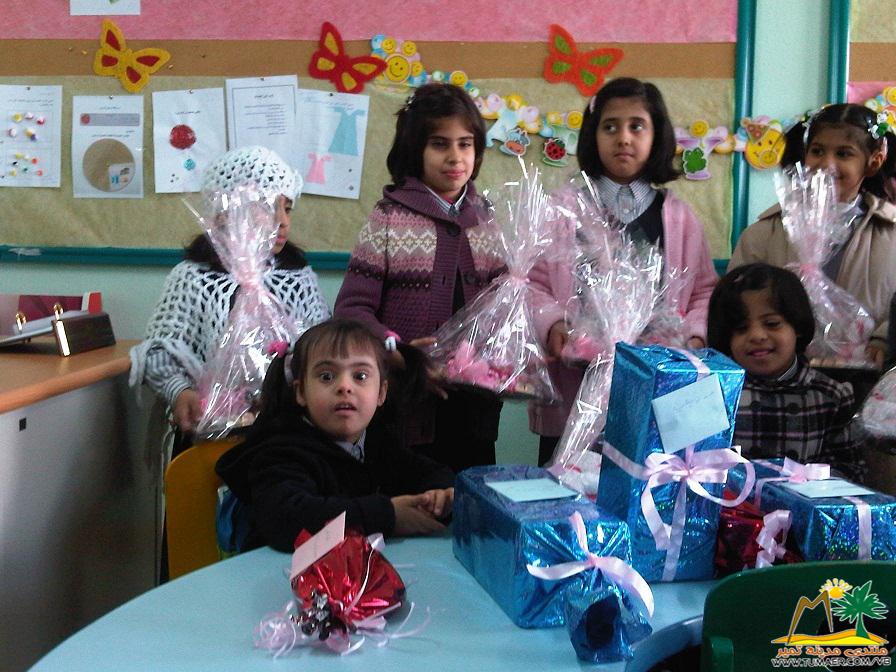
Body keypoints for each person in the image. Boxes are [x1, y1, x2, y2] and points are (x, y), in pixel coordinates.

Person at [528, 77, 718, 465]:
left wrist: (694, 336)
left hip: (656, 389)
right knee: (565, 486)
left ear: (657, 135)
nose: (624, 138)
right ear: (592, 135)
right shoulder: (562, 208)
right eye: (610, 127)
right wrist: (553, 325)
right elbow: (532, 283)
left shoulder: (679, 217)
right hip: (575, 386)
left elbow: (703, 289)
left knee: (648, 485)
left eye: (637, 126)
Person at [333, 82, 506, 472]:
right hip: (405, 407)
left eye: (465, 144)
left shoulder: (487, 220)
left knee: (469, 494)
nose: (455, 157)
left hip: (476, 408)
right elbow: (351, 310)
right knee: (412, 495)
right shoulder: (388, 218)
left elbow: (504, 308)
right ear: (416, 149)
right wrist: (397, 352)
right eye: (439, 144)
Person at [129, 145, 330, 447]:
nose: (283, 221)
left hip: (289, 434)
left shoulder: (297, 279)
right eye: (268, 206)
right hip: (211, 433)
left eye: (287, 209)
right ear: (228, 211)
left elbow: (325, 348)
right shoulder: (194, 278)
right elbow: (160, 351)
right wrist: (179, 390)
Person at [215, 318, 455, 552]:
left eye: (360, 376)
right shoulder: (280, 450)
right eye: (327, 376)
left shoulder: (377, 440)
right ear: (301, 392)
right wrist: (388, 516)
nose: (345, 387)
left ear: (381, 393)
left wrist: (439, 496)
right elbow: (287, 520)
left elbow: (429, 472)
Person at [729, 103, 896, 368]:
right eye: (817, 151)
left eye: (844, 154)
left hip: (865, 373)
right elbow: (733, 305)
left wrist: (884, 339)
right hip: (779, 376)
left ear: (873, 162)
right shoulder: (764, 233)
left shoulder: (891, 233)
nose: (826, 164)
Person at [707, 263, 864, 481]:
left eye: (772, 324)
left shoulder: (829, 395)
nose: (757, 335)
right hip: (732, 501)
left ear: (797, 327)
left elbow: (849, 469)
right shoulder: (715, 392)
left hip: (803, 500)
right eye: (741, 329)